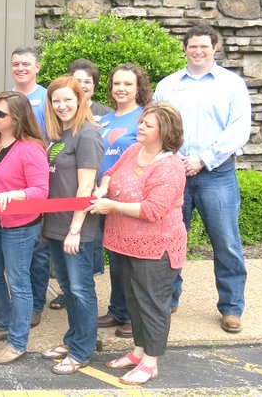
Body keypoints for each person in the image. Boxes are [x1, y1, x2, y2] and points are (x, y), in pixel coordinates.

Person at [154, 24, 251, 334]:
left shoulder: (231, 85)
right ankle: (168, 299)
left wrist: (203, 159)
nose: (198, 51)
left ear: (215, 48)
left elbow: (238, 130)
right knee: (169, 240)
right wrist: (169, 159)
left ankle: (231, 307)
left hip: (216, 174)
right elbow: (157, 123)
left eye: (204, 47)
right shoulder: (168, 85)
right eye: (193, 46)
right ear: (185, 48)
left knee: (226, 242)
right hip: (174, 174)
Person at [86, 102, 187, 385]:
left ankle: (151, 362)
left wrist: (111, 205)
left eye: (147, 125)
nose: (140, 127)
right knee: (133, 301)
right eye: (141, 122)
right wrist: (104, 187)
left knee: (152, 304)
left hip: (156, 247)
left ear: (164, 132)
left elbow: (152, 210)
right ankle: (139, 351)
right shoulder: (133, 151)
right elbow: (109, 172)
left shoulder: (170, 166)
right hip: (124, 244)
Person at [0, 91, 49, 364]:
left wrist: (16, 195)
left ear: (17, 118)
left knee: (18, 282)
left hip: (19, 225)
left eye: (0, 113)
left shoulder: (31, 148)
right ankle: (2, 323)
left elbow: (41, 191)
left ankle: (18, 342)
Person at [39, 75, 103, 375]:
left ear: (80, 99)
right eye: (56, 100)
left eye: (68, 99)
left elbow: (86, 187)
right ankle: (74, 339)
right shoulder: (58, 134)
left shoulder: (87, 135)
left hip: (75, 228)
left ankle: (82, 350)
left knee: (80, 289)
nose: (62, 105)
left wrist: (75, 228)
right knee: (67, 287)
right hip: (55, 225)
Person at [95, 63, 154, 339]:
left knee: (132, 260)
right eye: (117, 83)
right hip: (105, 197)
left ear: (138, 87)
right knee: (116, 257)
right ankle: (118, 309)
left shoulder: (145, 117)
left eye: (128, 84)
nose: (121, 88)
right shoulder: (106, 118)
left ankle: (134, 315)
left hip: (130, 199)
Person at [9, 46, 54, 324]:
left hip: (39, 180)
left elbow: (55, 136)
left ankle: (36, 303)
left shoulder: (47, 97)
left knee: (38, 247)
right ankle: (19, 299)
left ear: (37, 67)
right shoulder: (7, 97)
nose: (20, 68)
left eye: (26, 64)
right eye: (16, 64)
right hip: (11, 181)